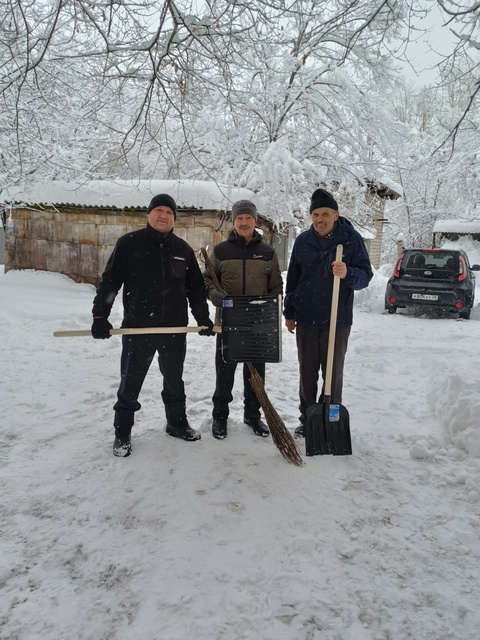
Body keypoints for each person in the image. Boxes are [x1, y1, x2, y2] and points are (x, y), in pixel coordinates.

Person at [91, 193, 214, 457]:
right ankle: (122, 432)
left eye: (169, 212)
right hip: (138, 329)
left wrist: (202, 318)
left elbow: (195, 289)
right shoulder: (128, 244)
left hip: (173, 330)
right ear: (148, 215)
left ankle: (176, 423)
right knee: (130, 383)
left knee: (174, 380)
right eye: (158, 210)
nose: (163, 216)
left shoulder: (183, 250)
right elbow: (110, 283)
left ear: (174, 219)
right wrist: (100, 316)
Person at [284, 188, 373, 437]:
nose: (320, 219)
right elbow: (293, 280)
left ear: (336, 214)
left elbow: (366, 276)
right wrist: (289, 312)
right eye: (315, 214)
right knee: (307, 373)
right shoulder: (303, 241)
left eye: (325, 214)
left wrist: (348, 274)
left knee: (333, 374)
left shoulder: (350, 240)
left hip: (338, 319)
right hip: (307, 318)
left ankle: (330, 417)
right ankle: (308, 418)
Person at [203, 199, 283, 440]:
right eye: (239, 218)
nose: (244, 222)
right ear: (233, 221)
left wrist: (269, 312)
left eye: (248, 217)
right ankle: (220, 417)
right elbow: (207, 280)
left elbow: (276, 286)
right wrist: (215, 295)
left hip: (257, 325)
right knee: (224, 373)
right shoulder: (219, 251)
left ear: (255, 221)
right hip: (228, 323)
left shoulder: (267, 252)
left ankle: (253, 416)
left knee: (255, 375)